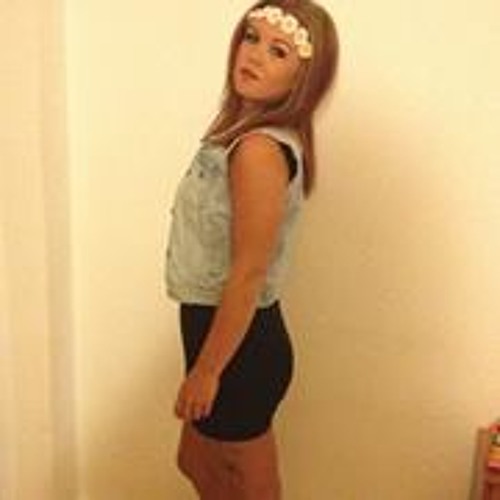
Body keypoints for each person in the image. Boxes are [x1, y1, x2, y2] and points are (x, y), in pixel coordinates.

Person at [165, 1, 339, 498]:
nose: (256, 54)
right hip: (217, 332)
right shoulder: (238, 137)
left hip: (239, 349)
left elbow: (248, 273)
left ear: (303, 79)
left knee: (246, 483)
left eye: (279, 50)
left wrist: (207, 371)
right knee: (196, 462)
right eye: (251, 37)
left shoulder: (258, 151)